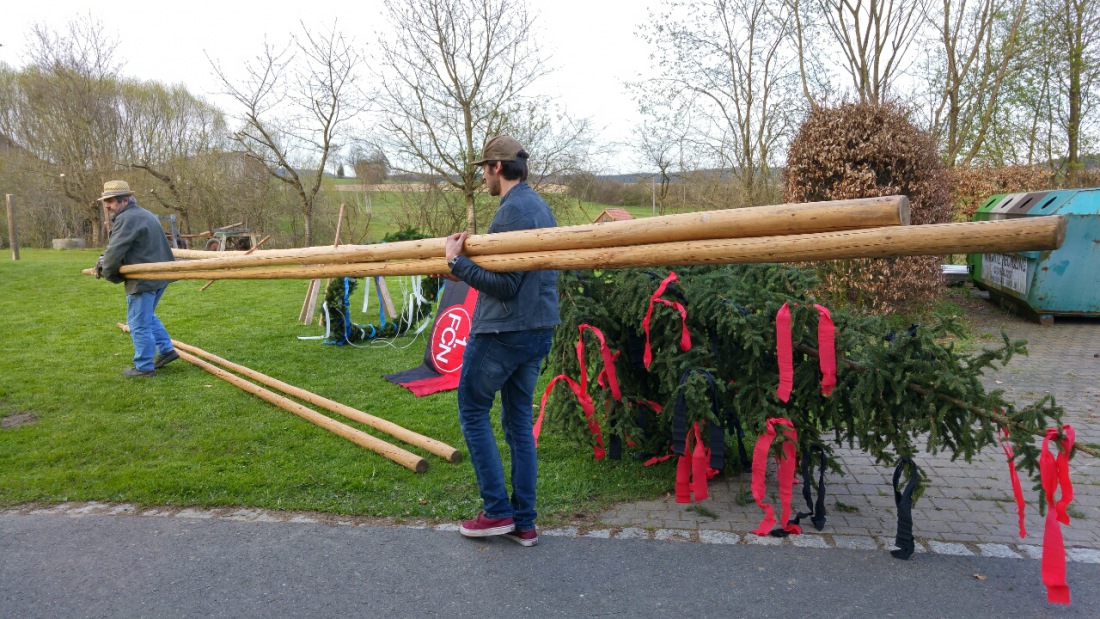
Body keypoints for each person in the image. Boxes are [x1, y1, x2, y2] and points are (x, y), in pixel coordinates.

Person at [445, 136, 560, 547]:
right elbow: (518, 277)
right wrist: (468, 268)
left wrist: (456, 262)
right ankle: (524, 523)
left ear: (497, 167)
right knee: (517, 426)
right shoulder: (541, 208)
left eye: (483, 169)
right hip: (538, 330)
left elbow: (508, 286)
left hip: (503, 332)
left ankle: (496, 513)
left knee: (472, 410)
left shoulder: (511, 212)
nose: (482, 178)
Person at [92, 180, 179, 377]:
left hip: (143, 278)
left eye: (111, 201)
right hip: (160, 276)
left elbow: (115, 252)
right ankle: (167, 350)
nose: (107, 205)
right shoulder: (144, 213)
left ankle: (144, 367)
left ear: (124, 199)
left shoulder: (127, 219)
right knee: (147, 316)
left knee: (138, 322)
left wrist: (108, 272)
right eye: (106, 201)